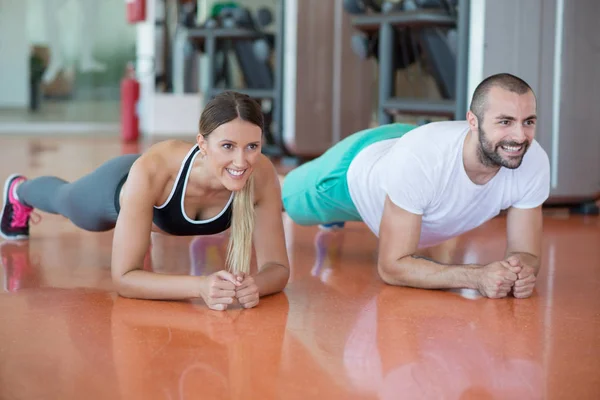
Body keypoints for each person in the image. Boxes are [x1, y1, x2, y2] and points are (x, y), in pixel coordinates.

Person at [0, 91, 290, 310]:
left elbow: (277, 267)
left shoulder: (260, 174)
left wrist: (256, 285)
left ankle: (138, 235)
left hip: (149, 204)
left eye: (252, 146)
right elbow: (124, 279)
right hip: (116, 187)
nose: (241, 160)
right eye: (227, 146)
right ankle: (19, 191)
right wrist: (199, 285)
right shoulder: (155, 169)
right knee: (66, 200)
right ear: (202, 144)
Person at [281, 73, 550, 299]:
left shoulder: (532, 159)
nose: (519, 136)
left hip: (408, 155)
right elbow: (391, 267)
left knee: (409, 191)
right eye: (505, 122)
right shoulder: (420, 160)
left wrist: (520, 271)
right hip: (355, 169)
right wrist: (476, 276)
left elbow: (525, 253)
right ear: (473, 121)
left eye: (528, 122)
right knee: (287, 200)